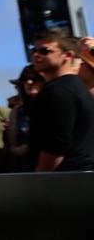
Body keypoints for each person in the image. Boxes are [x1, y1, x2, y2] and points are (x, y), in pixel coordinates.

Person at [28, 29, 94, 171]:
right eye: (34, 50)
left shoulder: (59, 91)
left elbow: (56, 148)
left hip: (65, 181)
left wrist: (36, 181)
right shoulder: (73, 87)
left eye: (45, 51)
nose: (36, 55)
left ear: (68, 55)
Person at [5, 64, 43, 172]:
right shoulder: (17, 111)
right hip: (24, 168)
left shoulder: (54, 106)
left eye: (34, 78)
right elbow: (12, 146)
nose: (29, 83)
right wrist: (20, 150)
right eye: (25, 79)